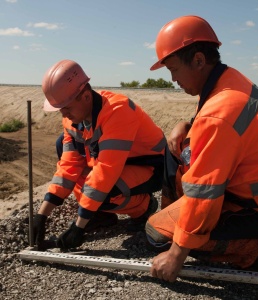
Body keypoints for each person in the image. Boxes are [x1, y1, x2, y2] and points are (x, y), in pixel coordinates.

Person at [145, 15, 258, 282]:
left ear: (198, 60)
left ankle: (255, 251)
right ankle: (175, 217)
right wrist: (186, 125)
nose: (172, 79)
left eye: (173, 70)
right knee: (176, 148)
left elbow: (205, 194)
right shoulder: (230, 81)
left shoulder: (219, 113)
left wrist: (176, 253)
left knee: (155, 234)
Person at [33, 59, 166, 250]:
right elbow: (69, 166)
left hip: (151, 167)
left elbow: (106, 172)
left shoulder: (118, 111)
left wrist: (78, 227)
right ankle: (100, 214)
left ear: (86, 96)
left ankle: (144, 207)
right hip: (117, 164)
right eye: (60, 110)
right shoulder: (72, 121)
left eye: (67, 108)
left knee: (102, 192)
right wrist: (42, 215)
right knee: (64, 151)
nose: (64, 115)